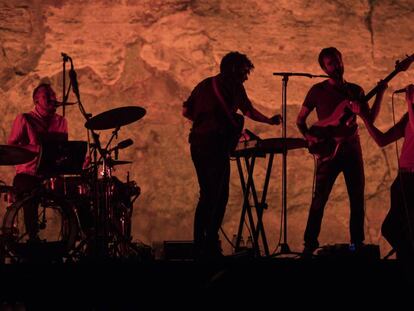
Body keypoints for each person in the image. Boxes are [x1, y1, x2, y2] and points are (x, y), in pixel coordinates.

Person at [182, 51, 282, 259]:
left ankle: (200, 245)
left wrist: (205, 122)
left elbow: (186, 111)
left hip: (197, 144)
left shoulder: (204, 84)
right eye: (245, 72)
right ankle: (209, 245)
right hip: (215, 147)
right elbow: (249, 112)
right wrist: (270, 121)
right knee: (219, 197)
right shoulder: (235, 86)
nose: (246, 77)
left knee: (207, 195)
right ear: (235, 70)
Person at [296, 47, 386, 256]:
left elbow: (369, 118)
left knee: (356, 197)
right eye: (331, 63)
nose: (336, 66)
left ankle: (357, 244)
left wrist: (380, 93)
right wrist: (310, 136)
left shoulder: (355, 91)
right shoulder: (317, 91)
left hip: (352, 148)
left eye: (337, 61)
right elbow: (300, 120)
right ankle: (309, 245)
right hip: (328, 152)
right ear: (324, 68)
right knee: (320, 198)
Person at [353, 84, 414, 261]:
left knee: (408, 227)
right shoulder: (407, 118)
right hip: (403, 178)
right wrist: (364, 117)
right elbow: (382, 140)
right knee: (392, 228)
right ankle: (407, 261)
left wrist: (410, 102)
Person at [8, 83, 68, 242]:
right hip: (29, 173)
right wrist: (35, 148)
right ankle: (33, 238)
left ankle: (73, 236)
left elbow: (63, 149)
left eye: (53, 95)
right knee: (28, 190)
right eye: (47, 96)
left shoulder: (61, 121)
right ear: (36, 101)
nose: (52, 98)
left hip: (52, 173)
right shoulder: (24, 119)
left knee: (76, 191)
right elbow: (11, 148)